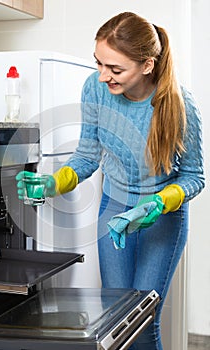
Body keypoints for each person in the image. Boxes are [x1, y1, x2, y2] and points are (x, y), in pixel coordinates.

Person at [16, 12, 205, 349]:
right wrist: (52, 183)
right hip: (113, 209)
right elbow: (87, 156)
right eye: (99, 64)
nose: (103, 76)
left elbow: (194, 177)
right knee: (117, 321)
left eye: (115, 69)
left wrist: (160, 202)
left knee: (143, 323)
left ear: (147, 66)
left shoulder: (179, 104)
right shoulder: (95, 89)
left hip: (160, 218)